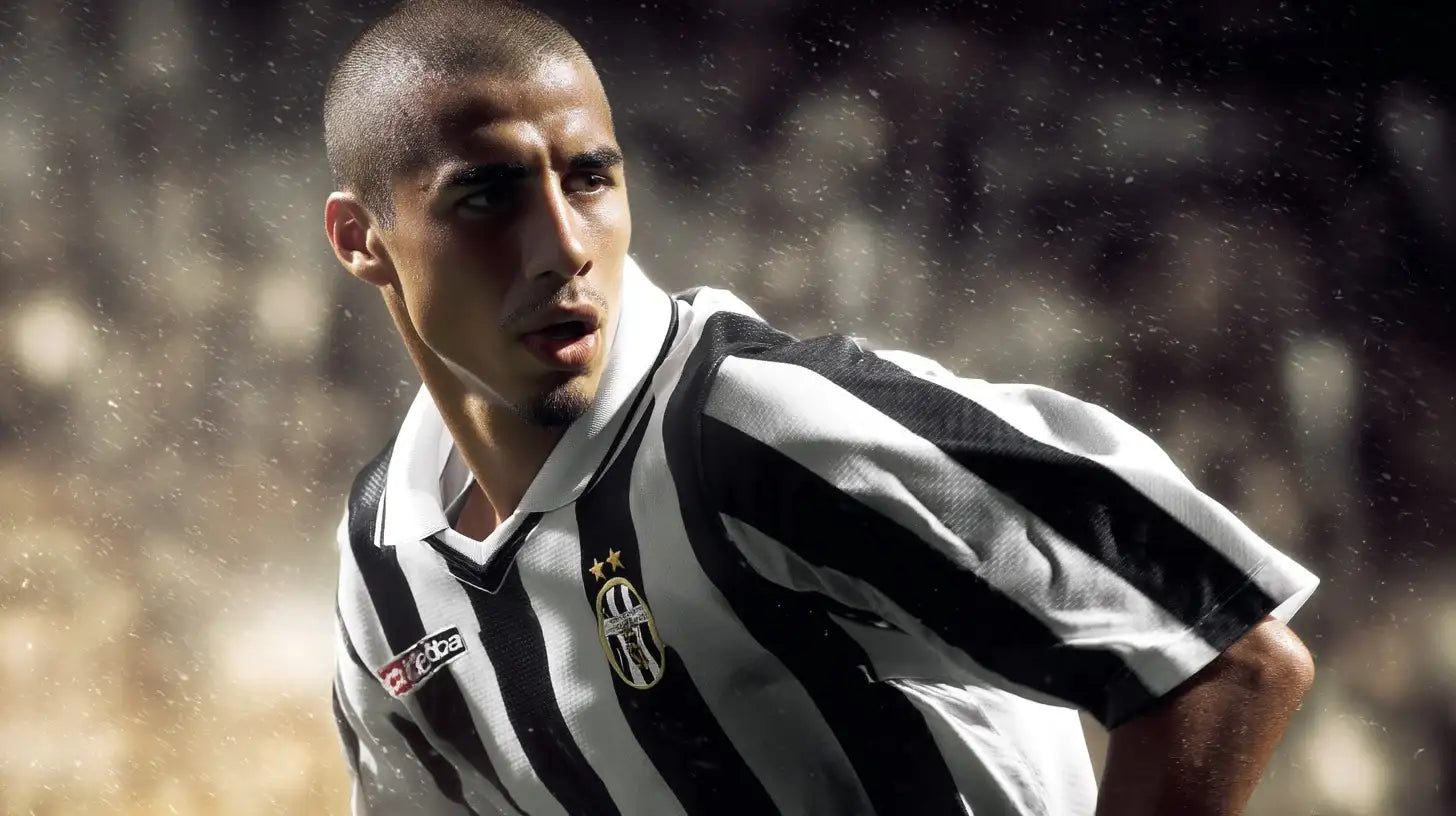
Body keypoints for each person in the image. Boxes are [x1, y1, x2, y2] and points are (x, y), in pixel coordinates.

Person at [321, 1, 1320, 814]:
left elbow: (1222, 656)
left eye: (588, 178)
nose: (563, 245)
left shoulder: (759, 428)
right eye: (487, 197)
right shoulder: (381, 562)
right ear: (362, 239)